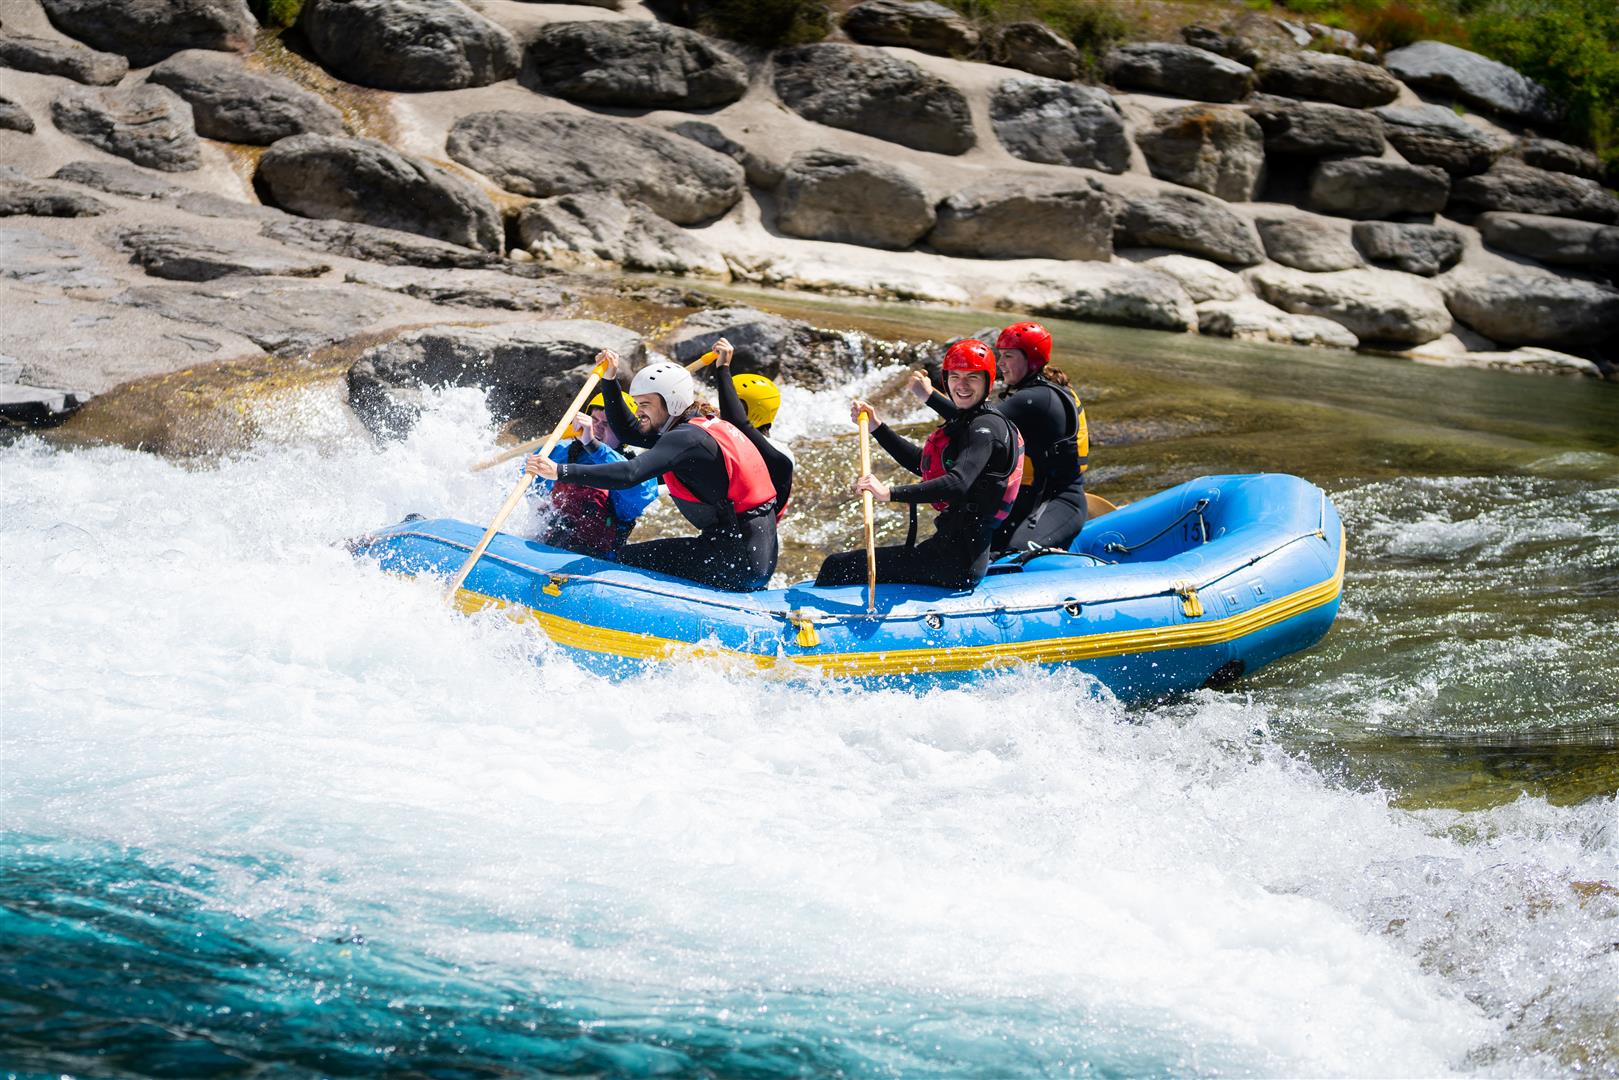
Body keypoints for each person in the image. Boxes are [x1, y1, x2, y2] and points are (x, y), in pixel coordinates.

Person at [527, 350, 779, 592]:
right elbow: (629, 431)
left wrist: (560, 471)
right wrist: (610, 379)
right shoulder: (696, 428)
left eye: (645, 404)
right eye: (637, 404)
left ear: (671, 402)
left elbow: (629, 474)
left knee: (619, 560)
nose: (639, 412)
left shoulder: (688, 439)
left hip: (737, 563)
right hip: (744, 555)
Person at [815, 339, 1023, 591]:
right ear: (946, 380)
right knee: (843, 564)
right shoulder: (974, 421)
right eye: (955, 376)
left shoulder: (985, 429)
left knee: (837, 566)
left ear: (988, 382)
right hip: (948, 552)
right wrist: (877, 428)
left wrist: (889, 493)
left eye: (972, 378)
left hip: (954, 564)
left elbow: (957, 484)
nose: (962, 385)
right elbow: (921, 464)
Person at [911, 321, 1089, 554]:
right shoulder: (1040, 392)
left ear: (1032, 359)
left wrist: (928, 396)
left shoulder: (1037, 399)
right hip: (1030, 499)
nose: (1001, 363)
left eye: (1009, 356)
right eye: (1000, 356)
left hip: (1059, 502)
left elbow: (979, 423)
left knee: (1013, 554)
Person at [522, 392, 657, 559]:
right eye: (594, 420)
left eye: (607, 424)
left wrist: (593, 445)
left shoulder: (636, 471)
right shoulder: (559, 451)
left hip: (592, 562)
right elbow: (524, 489)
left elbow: (642, 492)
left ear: (624, 433)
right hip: (542, 546)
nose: (597, 427)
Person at [707, 337, 794, 519]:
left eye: (731, 404)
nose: (721, 410)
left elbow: (736, 423)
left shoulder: (780, 456)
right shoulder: (733, 438)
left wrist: (723, 369)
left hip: (754, 538)